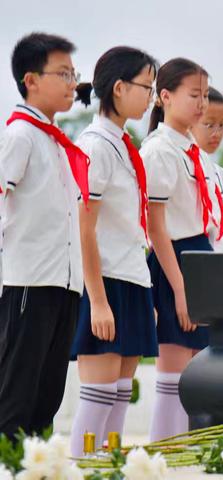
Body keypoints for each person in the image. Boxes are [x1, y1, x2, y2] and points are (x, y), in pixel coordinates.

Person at [69, 46, 158, 455]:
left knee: (121, 394)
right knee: (99, 395)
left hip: (131, 276)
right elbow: (84, 228)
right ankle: (84, 468)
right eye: (146, 87)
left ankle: (110, 467)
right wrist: (99, 301)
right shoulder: (95, 146)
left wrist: (145, 290)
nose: (151, 97)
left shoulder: (123, 143)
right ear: (119, 88)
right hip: (104, 282)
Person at [0, 32, 88, 438]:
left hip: (65, 282)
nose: (73, 83)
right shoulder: (19, 136)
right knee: (15, 395)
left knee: (47, 395)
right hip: (28, 282)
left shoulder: (55, 141)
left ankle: (33, 466)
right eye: (64, 73)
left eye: (74, 74)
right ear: (31, 80)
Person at [141, 58, 223, 440]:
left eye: (205, 95)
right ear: (164, 96)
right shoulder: (159, 151)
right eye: (194, 95)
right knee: (173, 377)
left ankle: (190, 457)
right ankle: (164, 459)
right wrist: (178, 288)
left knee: (199, 378)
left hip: (201, 260)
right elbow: (156, 228)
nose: (202, 104)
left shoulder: (195, 153)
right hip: (175, 260)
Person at [191, 87, 223, 252]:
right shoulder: (182, 167)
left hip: (222, 268)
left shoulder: (221, 175)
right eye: (209, 125)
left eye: (222, 125)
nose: (217, 133)